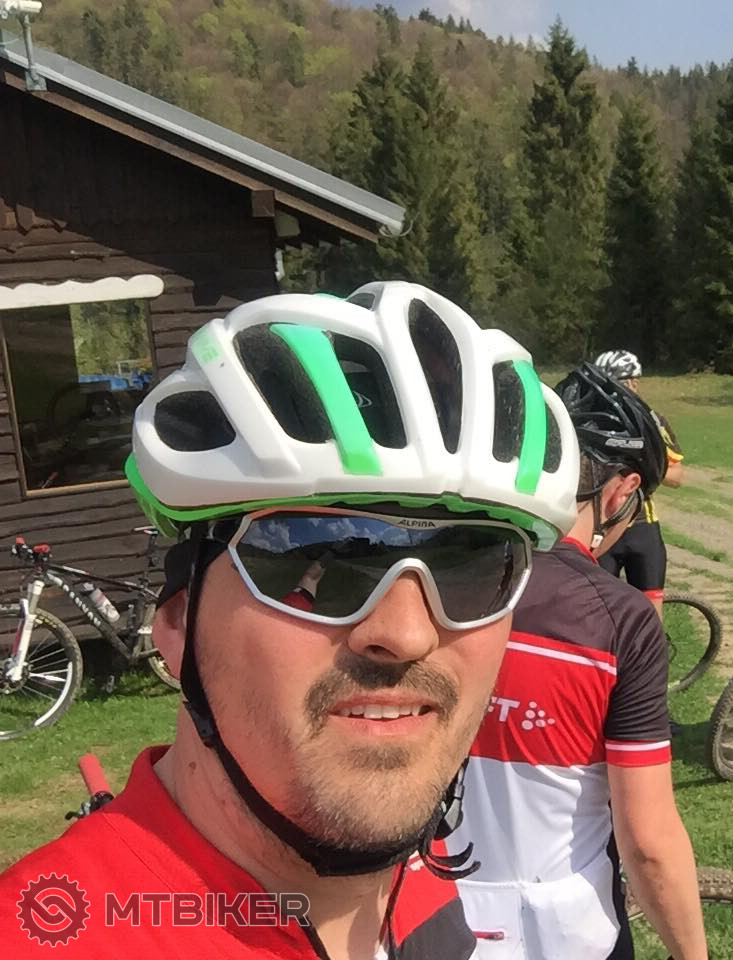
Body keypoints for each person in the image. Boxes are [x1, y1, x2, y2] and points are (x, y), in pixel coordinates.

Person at [0, 282, 580, 959]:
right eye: (311, 553)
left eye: (472, 564)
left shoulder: (425, 871)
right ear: (178, 623)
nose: (406, 634)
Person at [447, 363, 707, 960]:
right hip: (557, 926)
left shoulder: (433, 575)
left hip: (418, 911)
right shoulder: (620, 621)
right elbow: (648, 844)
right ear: (621, 492)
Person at [593, 350, 684, 618]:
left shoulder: (653, 422)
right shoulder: (590, 422)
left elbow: (676, 476)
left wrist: (644, 462)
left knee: (650, 616)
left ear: (634, 383)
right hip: (601, 526)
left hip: (642, 528)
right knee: (597, 614)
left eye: (616, 383)